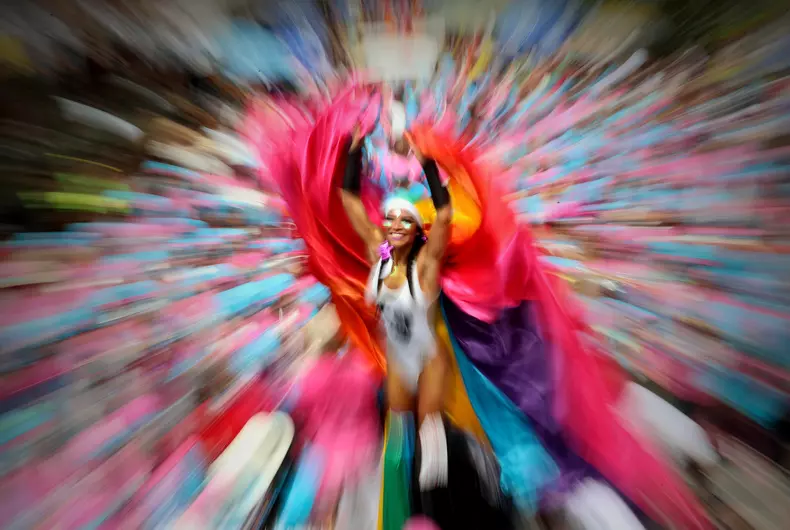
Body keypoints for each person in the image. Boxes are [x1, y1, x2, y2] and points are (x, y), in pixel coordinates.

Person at [339, 121, 452, 490]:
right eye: (390, 218)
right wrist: (354, 152)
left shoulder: (427, 263)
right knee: (398, 444)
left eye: (405, 219)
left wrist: (428, 165)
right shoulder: (380, 253)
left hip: (430, 360)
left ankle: (439, 508)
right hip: (397, 360)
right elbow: (349, 200)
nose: (395, 224)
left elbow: (446, 215)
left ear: (418, 229)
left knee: (431, 449)